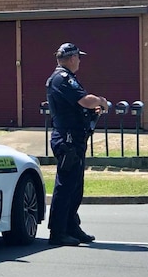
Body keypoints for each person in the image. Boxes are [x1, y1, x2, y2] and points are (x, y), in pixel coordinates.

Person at [45, 42, 108, 246]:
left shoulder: (67, 78)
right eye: (78, 57)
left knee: (75, 187)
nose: (80, 60)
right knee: (65, 186)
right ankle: (58, 232)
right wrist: (101, 101)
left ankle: (72, 226)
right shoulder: (62, 79)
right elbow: (85, 101)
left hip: (75, 138)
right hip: (67, 139)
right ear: (71, 58)